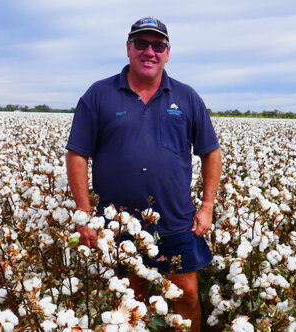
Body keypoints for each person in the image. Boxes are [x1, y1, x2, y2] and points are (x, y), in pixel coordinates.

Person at [66, 16, 222, 331]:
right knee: (129, 299)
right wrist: (84, 214)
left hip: (175, 220)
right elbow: (77, 154)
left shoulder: (187, 97)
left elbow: (211, 153)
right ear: (128, 48)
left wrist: (207, 207)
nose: (149, 51)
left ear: (167, 52)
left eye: (157, 45)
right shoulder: (99, 95)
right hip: (118, 223)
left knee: (187, 295)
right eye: (141, 44)